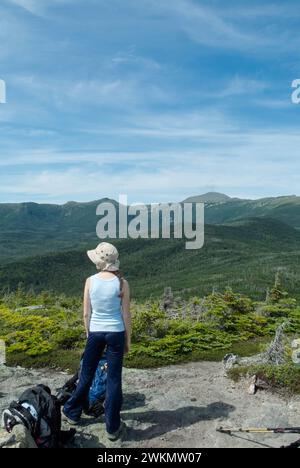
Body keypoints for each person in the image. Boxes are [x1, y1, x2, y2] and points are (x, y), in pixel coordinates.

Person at [63, 242, 131, 441]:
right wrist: (128, 340)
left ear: (102, 261)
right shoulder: (122, 283)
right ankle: (112, 427)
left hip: (95, 332)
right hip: (116, 333)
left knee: (87, 374)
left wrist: (89, 333)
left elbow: (86, 313)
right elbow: (126, 315)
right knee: (114, 379)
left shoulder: (90, 281)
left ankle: (72, 412)